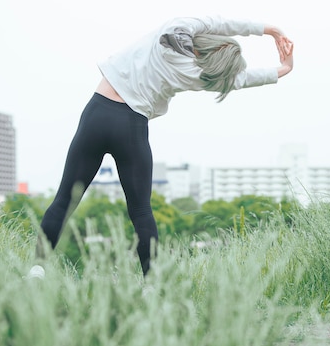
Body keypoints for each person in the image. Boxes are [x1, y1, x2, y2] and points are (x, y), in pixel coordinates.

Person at [30, 15, 294, 277]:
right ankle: (151, 284)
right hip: (131, 127)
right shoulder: (200, 76)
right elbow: (241, 80)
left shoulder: (178, 27)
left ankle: (36, 271)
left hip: (97, 113)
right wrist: (282, 70)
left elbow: (222, 23)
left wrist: (266, 29)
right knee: (141, 211)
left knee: (65, 198)